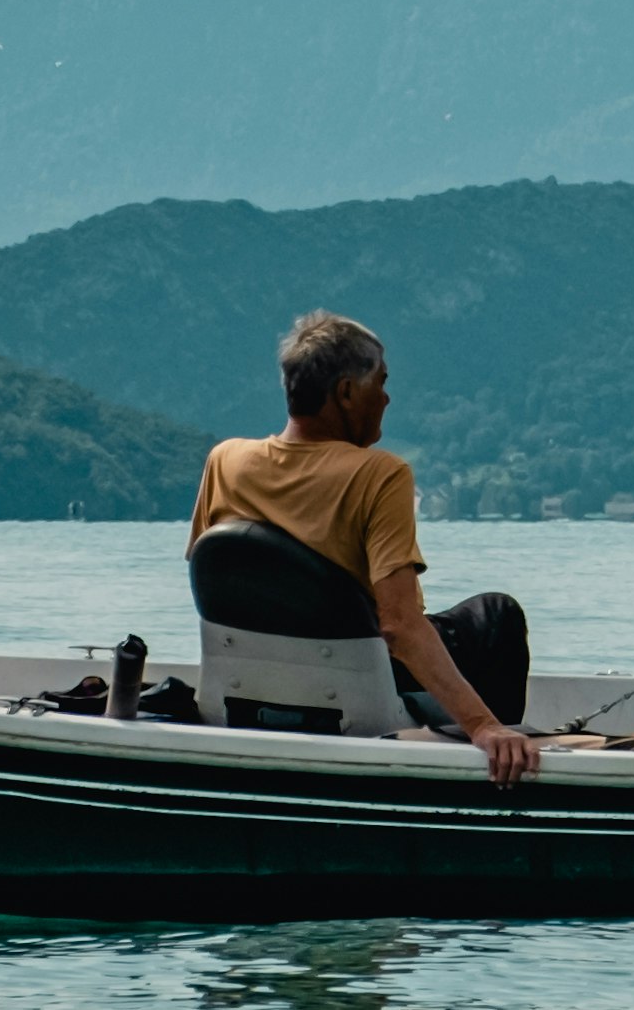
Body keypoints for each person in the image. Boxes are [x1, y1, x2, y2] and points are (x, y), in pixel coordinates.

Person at [188, 312, 542, 785]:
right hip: (360, 671)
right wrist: (483, 725)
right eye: (381, 381)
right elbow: (397, 625)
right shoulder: (380, 474)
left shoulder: (225, 460)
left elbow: (220, 580)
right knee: (496, 616)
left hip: (248, 678)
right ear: (347, 393)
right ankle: (499, 767)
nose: (388, 397)